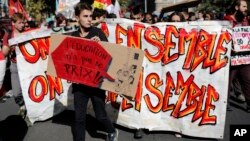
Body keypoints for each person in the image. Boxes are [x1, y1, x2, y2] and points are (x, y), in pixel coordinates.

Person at [70, 2, 118, 141]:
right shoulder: (73, 36)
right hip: (80, 85)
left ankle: (111, 131)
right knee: (79, 118)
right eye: (85, 16)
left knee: (100, 115)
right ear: (77, 17)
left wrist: (100, 46)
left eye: (91, 16)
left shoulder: (98, 33)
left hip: (97, 83)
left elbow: (110, 57)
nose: (89, 19)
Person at [224, 0, 250, 112]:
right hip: (231, 57)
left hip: (244, 57)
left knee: (247, 81)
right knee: (227, 82)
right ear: (236, 7)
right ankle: (224, 103)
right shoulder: (226, 20)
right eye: (244, 6)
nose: (246, 8)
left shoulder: (246, 20)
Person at [1, 12, 27, 116]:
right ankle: (22, 104)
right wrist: (10, 46)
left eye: (23, 23)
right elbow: (4, 53)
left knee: (30, 90)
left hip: (27, 65)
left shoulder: (27, 32)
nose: (22, 25)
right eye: (20, 23)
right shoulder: (9, 35)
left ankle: (30, 109)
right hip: (15, 66)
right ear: (13, 23)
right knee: (16, 93)